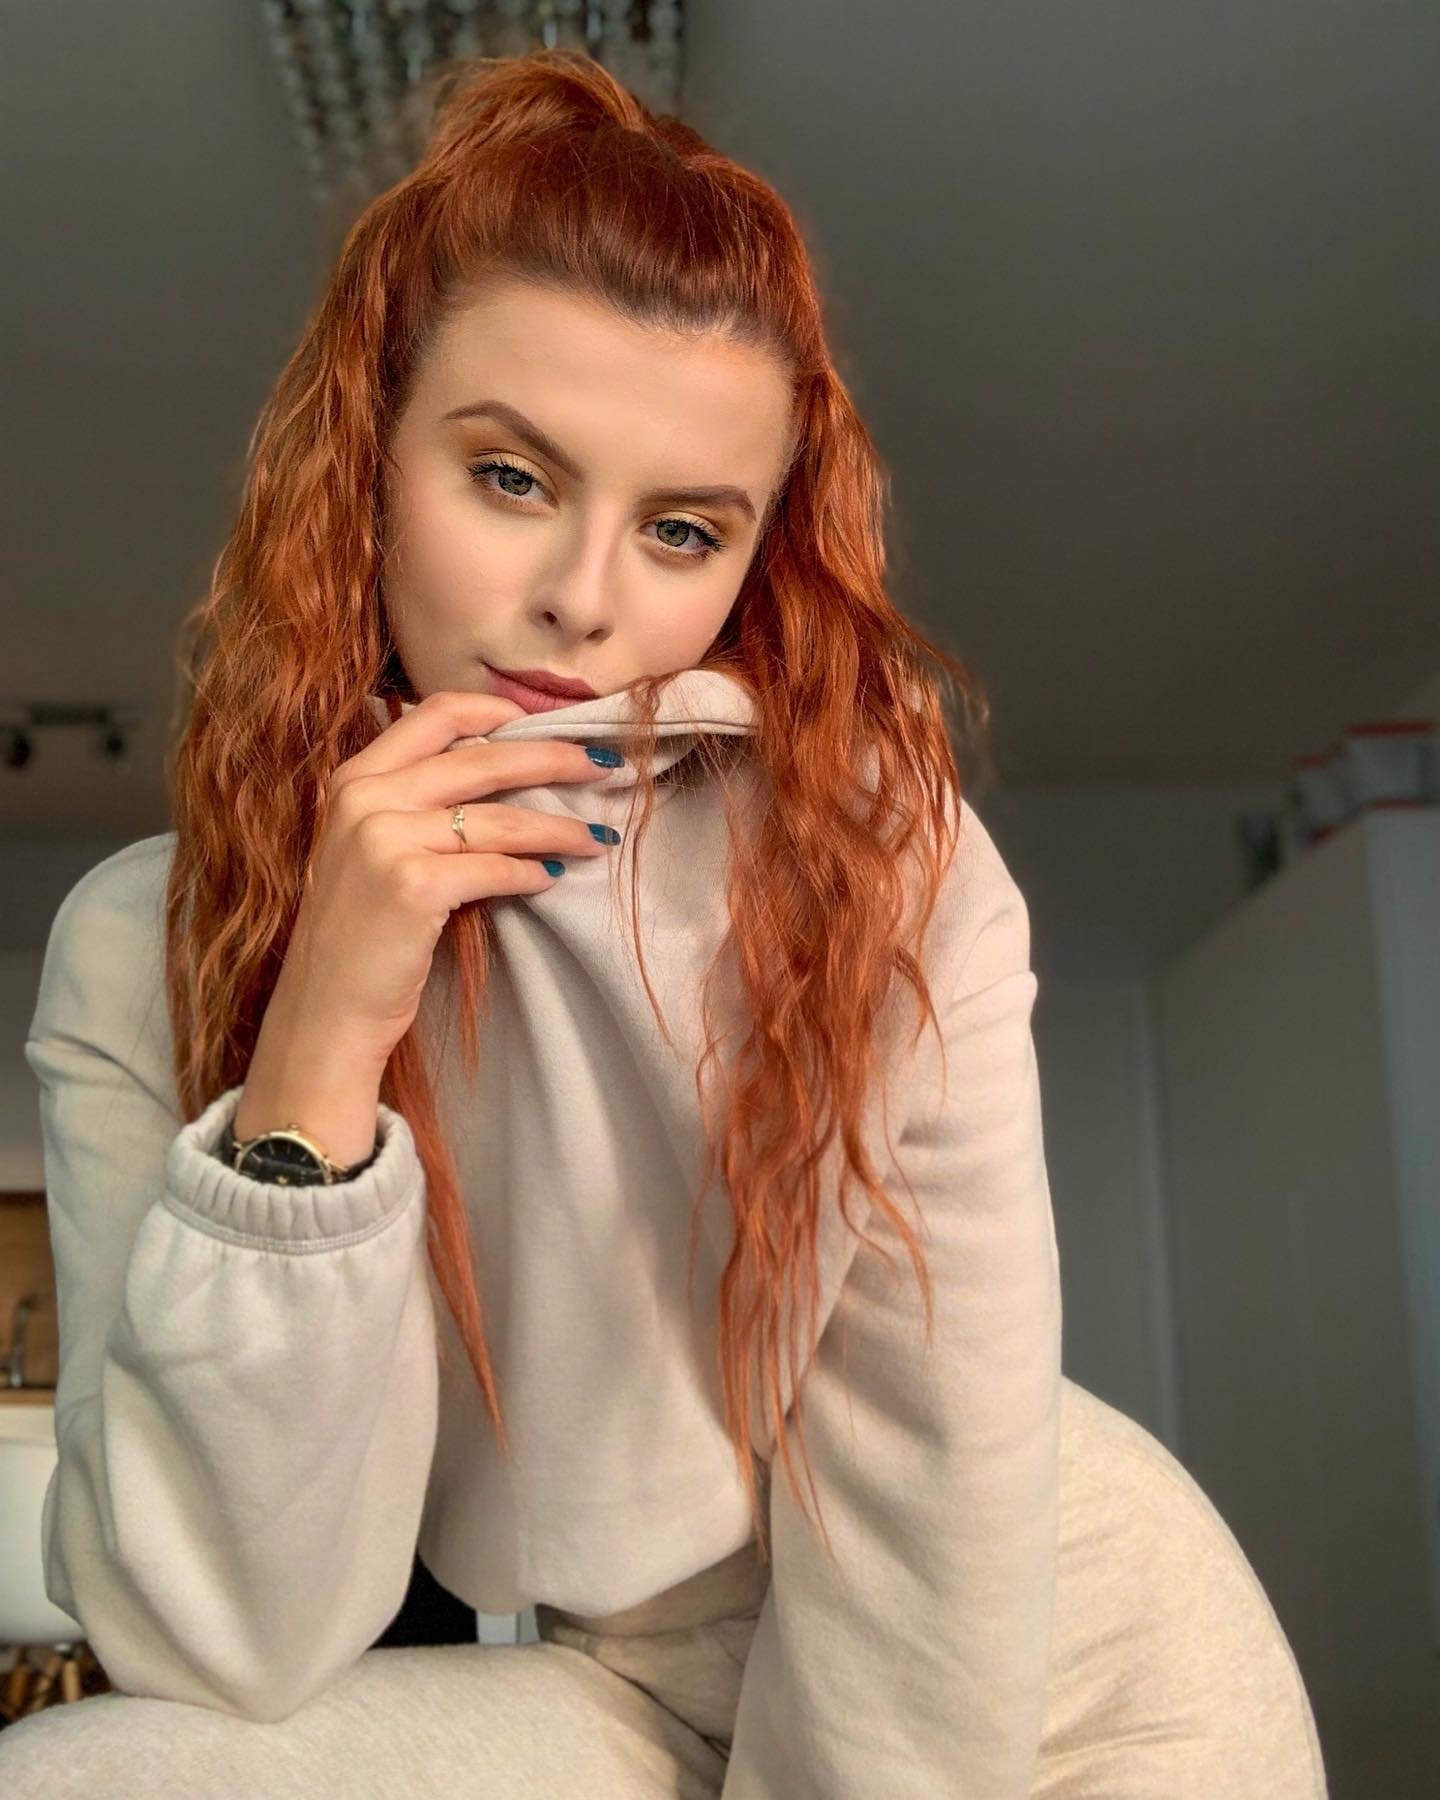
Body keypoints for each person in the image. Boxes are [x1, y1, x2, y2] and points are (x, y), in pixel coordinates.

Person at [5, 48, 1065, 1797]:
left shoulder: (876, 870)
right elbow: (217, 1647)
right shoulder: (140, 945)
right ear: (365, 462)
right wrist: (323, 1036)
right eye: (511, 478)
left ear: (754, 562)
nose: (581, 598)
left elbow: (931, 1498)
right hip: (635, 1690)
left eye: (682, 530)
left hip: (1015, 1678)